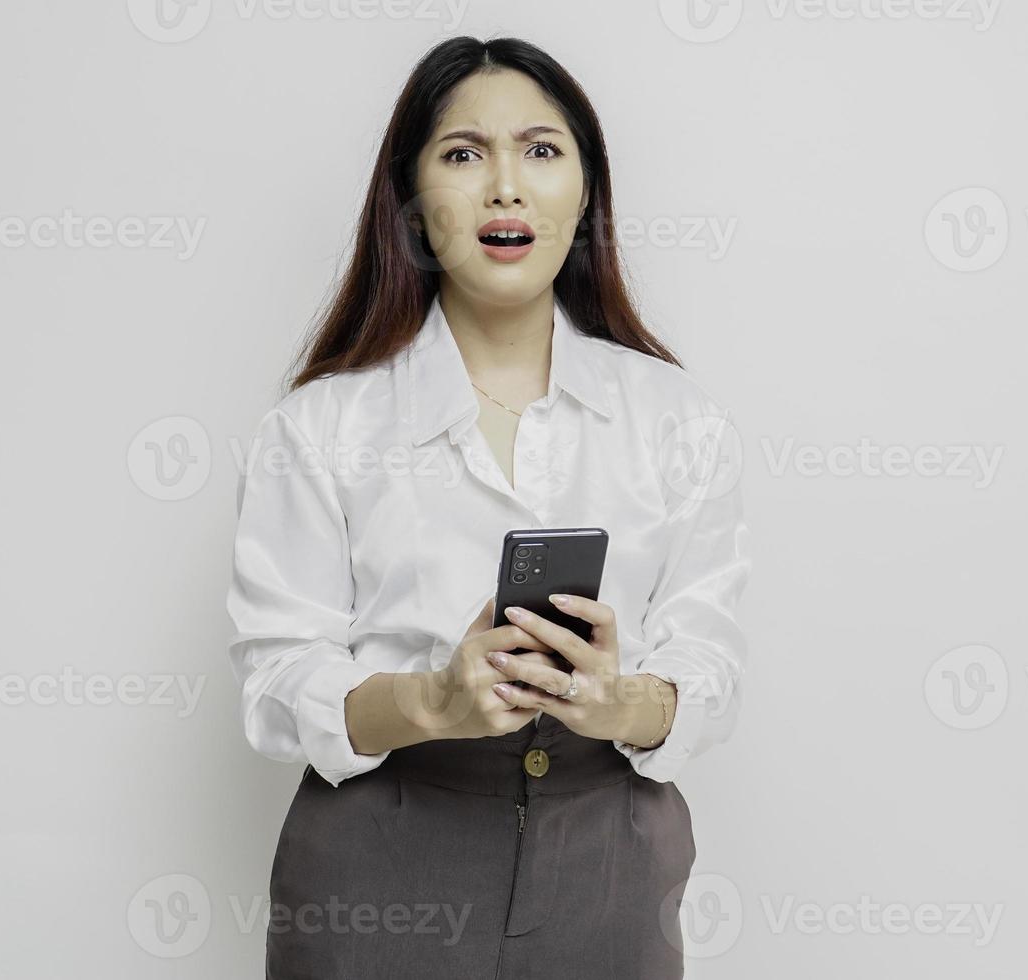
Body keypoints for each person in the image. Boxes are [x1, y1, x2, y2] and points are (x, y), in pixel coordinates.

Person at [226, 34, 751, 979]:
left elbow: (711, 664)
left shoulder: (676, 418)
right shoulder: (320, 426)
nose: (505, 186)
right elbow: (274, 685)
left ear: (585, 194)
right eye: (464, 154)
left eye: (541, 151)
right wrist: (432, 699)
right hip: (378, 866)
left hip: (612, 866)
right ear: (415, 205)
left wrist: (616, 699)